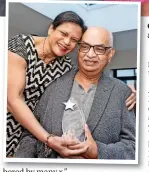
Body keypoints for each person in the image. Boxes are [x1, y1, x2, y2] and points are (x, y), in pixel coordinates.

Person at [15, 26, 136, 159]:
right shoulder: (53, 84)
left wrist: (98, 151)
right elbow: (30, 135)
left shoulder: (122, 93)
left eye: (99, 49)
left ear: (110, 54)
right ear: (78, 49)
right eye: (85, 46)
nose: (90, 54)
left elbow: (133, 146)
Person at [7, 11, 87, 156]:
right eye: (63, 33)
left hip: (28, 133)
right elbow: (12, 99)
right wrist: (48, 138)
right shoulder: (21, 45)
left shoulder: (66, 67)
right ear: (51, 29)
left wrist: (129, 93)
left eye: (74, 40)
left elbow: (87, 83)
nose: (67, 42)